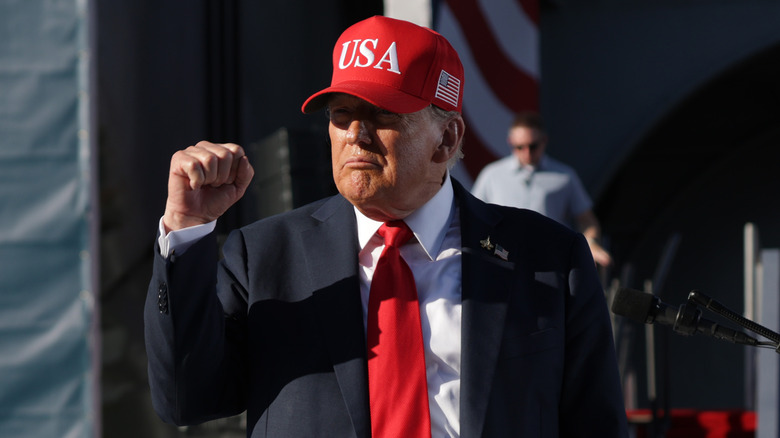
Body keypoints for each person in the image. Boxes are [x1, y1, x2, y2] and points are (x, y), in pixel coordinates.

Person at [144, 15, 628, 438]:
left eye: (383, 114)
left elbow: (596, 425)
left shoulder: (547, 259)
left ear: (447, 137)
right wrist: (187, 231)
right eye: (341, 114)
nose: (356, 134)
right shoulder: (265, 254)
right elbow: (186, 401)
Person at [471, 112, 613, 267]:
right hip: (502, 261)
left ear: (544, 141)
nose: (527, 153)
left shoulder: (564, 175)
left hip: (550, 263)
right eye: (519, 147)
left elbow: (586, 220)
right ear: (510, 143)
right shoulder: (492, 174)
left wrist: (590, 243)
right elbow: (473, 216)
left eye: (533, 146)